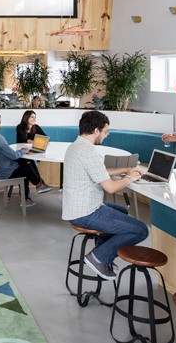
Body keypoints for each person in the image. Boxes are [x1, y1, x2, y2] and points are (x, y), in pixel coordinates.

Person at [62, 110, 148, 281]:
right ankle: (99, 257)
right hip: (86, 213)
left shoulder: (76, 146)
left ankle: (102, 249)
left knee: (122, 211)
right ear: (96, 130)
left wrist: (125, 170)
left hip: (76, 208)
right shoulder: (89, 152)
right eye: (105, 131)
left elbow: (99, 171)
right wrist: (130, 178)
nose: (106, 135)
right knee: (141, 230)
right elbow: (110, 188)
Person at [0, 111, 53, 206]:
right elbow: (13, 155)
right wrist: (23, 151)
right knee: (26, 165)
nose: (0, 125)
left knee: (25, 161)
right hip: (4, 173)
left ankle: (38, 186)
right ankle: (37, 186)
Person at [14, 109, 51, 189]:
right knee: (27, 163)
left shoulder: (36, 127)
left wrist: (34, 141)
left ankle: (40, 184)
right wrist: (35, 141)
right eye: (32, 117)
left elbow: (45, 138)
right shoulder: (20, 127)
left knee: (30, 162)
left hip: (32, 153)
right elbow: (23, 139)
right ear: (26, 117)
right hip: (21, 154)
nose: (34, 119)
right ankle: (39, 184)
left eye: (35, 117)